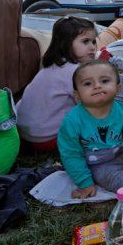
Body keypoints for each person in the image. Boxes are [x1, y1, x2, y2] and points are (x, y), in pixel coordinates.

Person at [58, 60, 123, 199]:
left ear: (118, 88)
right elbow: (71, 154)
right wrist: (84, 182)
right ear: (77, 96)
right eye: (88, 83)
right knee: (106, 176)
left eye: (105, 81)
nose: (97, 86)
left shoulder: (122, 111)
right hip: (100, 163)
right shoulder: (72, 121)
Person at [16, 16, 97, 151]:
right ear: (66, 43)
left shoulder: (54, 65)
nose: (92, 47)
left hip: (23, 132)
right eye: (85, 41)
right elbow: (91, 106)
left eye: (94, 42)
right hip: (46, 138)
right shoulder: (76, 72)